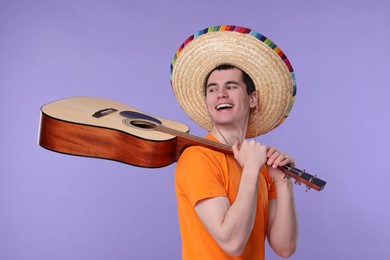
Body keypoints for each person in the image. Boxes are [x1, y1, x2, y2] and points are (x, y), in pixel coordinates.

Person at [170, 25, 298, 259]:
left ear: (252, 99)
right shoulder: (197, 157)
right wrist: (251, 169)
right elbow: (232, 242)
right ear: (208, 101)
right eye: (212, 89)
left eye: (231, 86)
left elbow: (284, 248)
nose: (221, 94)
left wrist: (282, 183)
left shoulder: (260, 165)